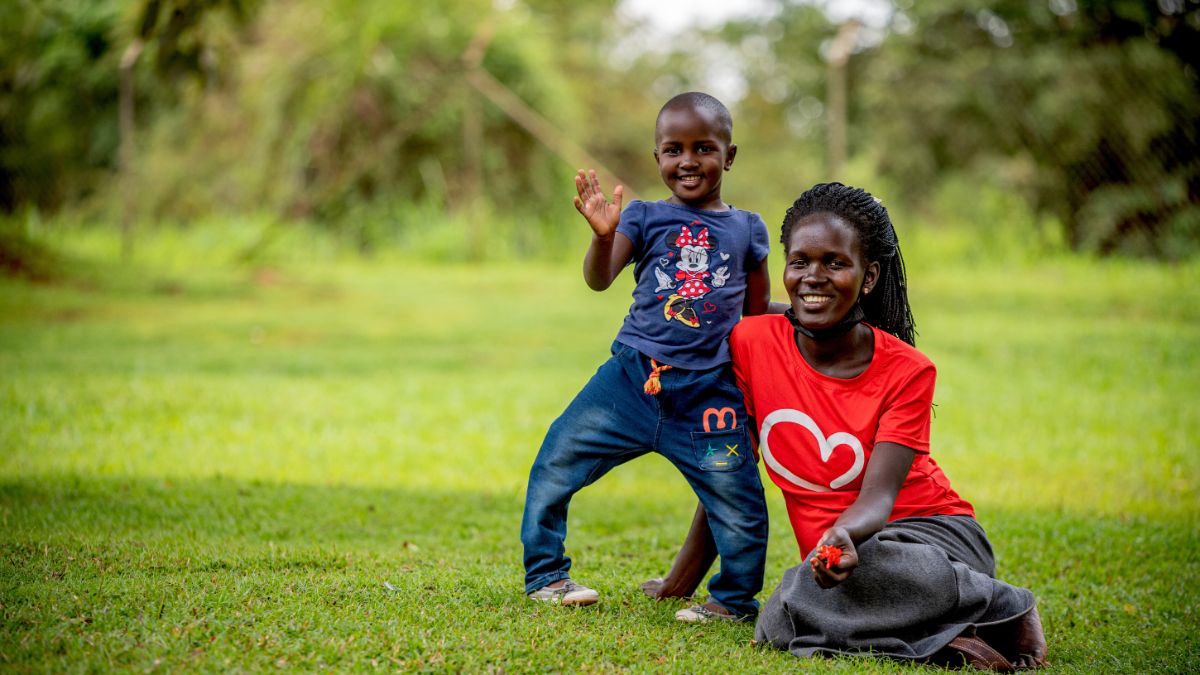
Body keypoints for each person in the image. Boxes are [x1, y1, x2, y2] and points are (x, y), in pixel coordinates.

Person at [725, 182, 1047, 668]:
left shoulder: (908, 370)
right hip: (842, 562)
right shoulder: (753, 342)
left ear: (868, 276)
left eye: (835, 263)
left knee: (804, 599)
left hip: (930, 540)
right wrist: (679, 582)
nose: (814, 276)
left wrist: (844, 534)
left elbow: (878, 499)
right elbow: (728, 474)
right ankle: (951, 638)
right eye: (799, 262)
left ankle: (1003, 604)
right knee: (777, 623)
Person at [520, 92, 776, 622]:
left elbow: (753, 320)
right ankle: (547, 576)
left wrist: (753, 394)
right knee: (555, 461)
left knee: (740, 499)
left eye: (704, 148)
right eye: (672, 149)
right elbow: (599, 279)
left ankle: (731, 601)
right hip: (632, 380)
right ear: (657, 157)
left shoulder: (748, 229)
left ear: (729, 156)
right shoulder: (643, 216)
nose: (687, 161)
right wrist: (603, 235)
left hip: (709, 393)